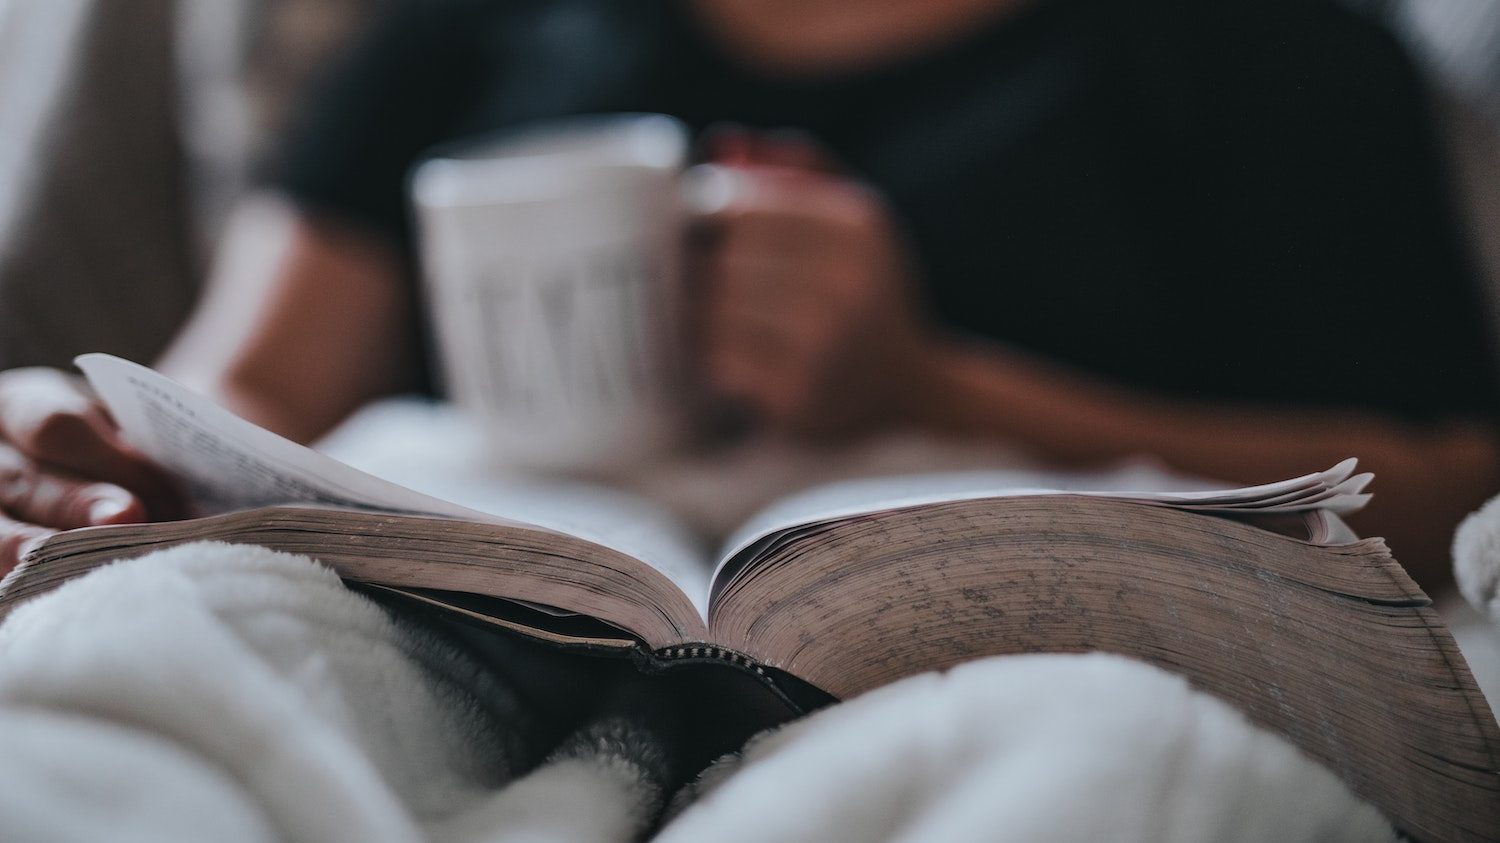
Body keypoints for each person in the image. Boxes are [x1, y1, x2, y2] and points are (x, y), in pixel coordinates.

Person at [0, 0, 1497, 587]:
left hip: (1009, 639)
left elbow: (1456, 495)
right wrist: (66, 441)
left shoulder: (1259, 46)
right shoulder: (455, 37)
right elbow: (236, 388)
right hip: (482, 614)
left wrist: (931, 390)